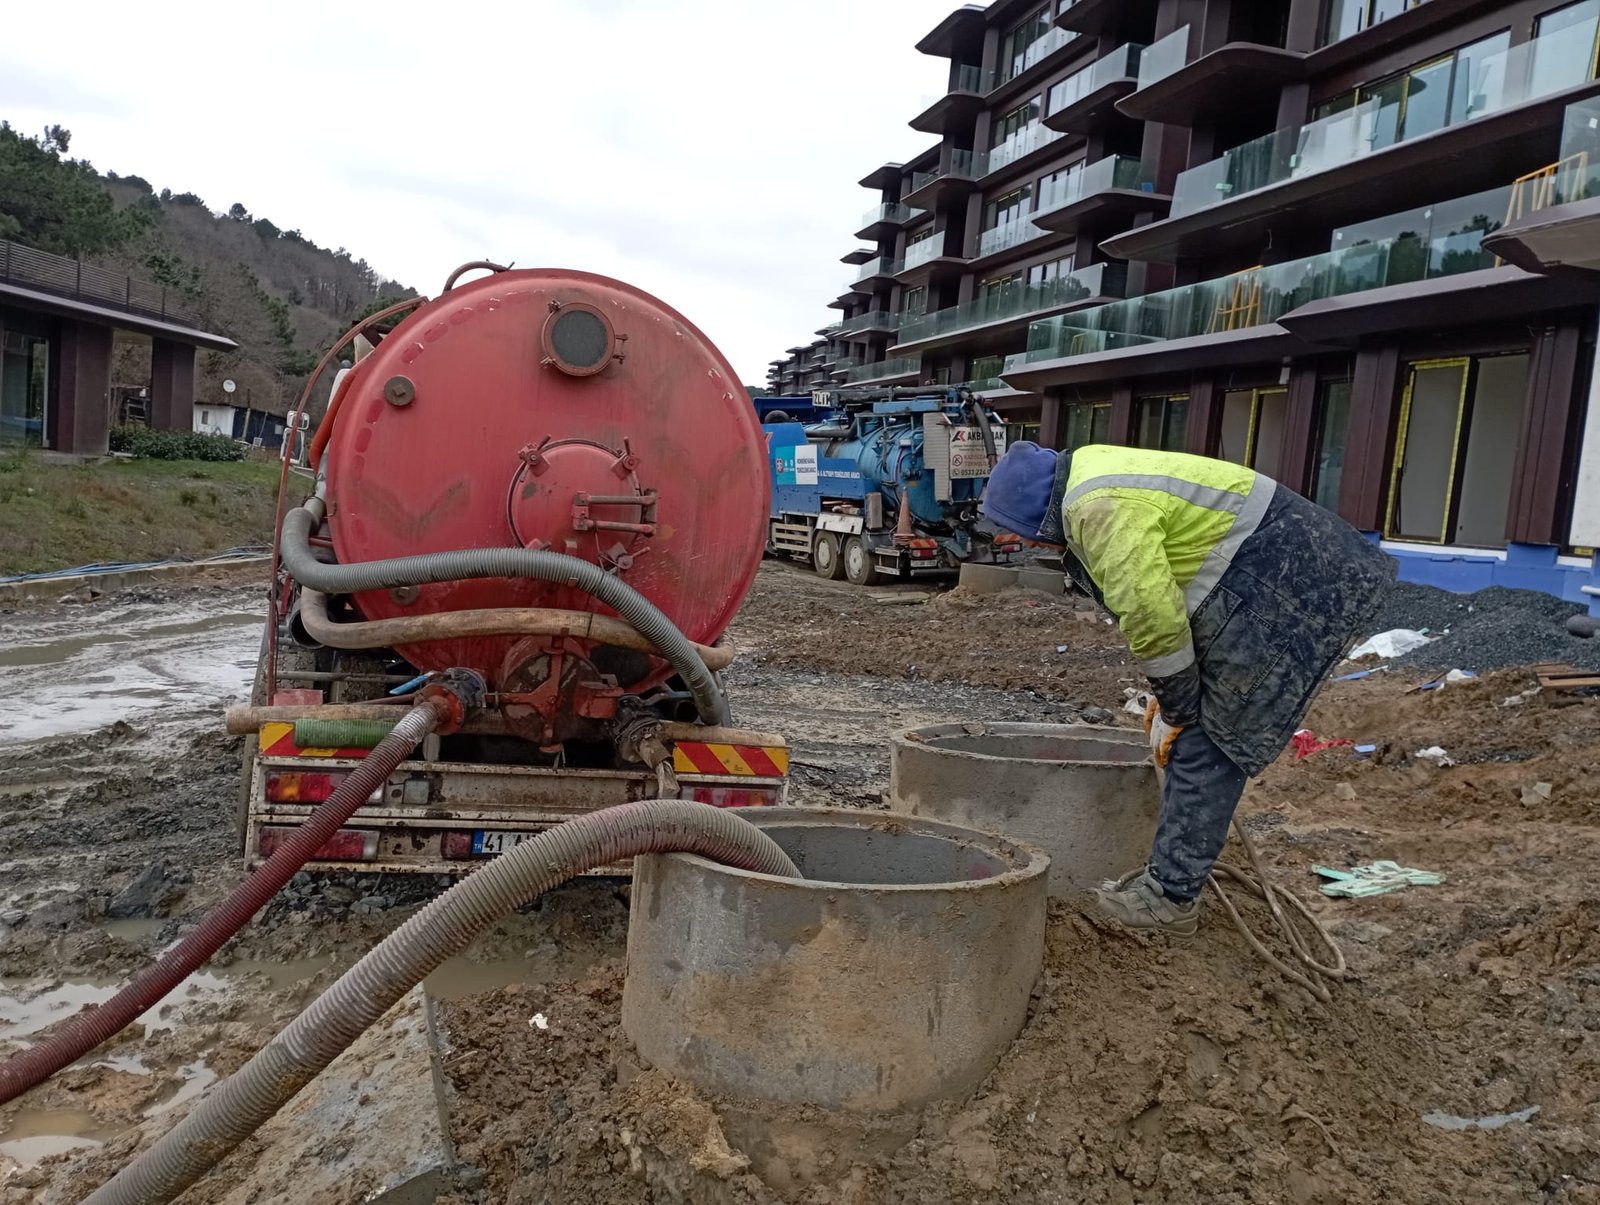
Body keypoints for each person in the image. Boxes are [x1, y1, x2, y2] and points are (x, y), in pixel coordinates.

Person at [979, 442, 1395, 935]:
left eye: (1025, 534)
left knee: (1208, 737)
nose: (1030, 545)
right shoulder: (1091, 473)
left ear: (1035, 515)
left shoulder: (1097, 507)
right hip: (1283, 570)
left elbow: (1154, 617)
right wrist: (1170, 693)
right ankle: (1170, 878)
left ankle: (1170, 900)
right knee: (1198, 725)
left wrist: (1177, 707)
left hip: (1285, 583)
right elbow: (1173, 591)